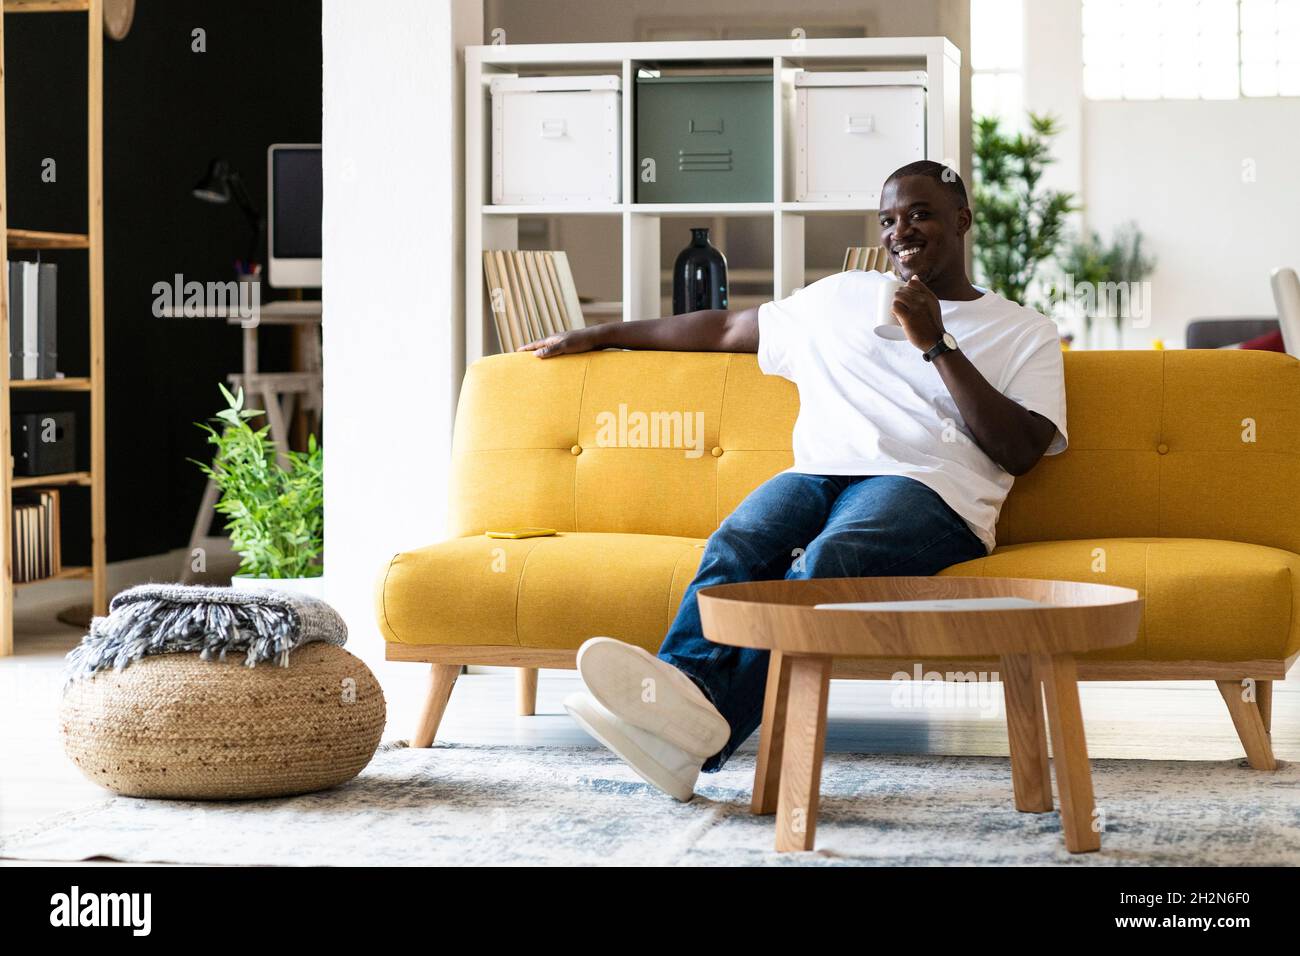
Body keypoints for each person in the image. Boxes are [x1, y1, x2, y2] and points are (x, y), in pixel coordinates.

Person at [519, 160, 1068, 801]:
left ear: (962, 221)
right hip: (817, 473)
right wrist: (602, 333)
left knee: (830, 559)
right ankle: (674, 717)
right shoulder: (838, 297)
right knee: (739, 542)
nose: (901, 231)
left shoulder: (1022, 330)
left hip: (931, 491)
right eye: (889, 219)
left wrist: (937, 342)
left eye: (920, 214)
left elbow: (1022, 449)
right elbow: (725, 327)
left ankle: (693, 731)